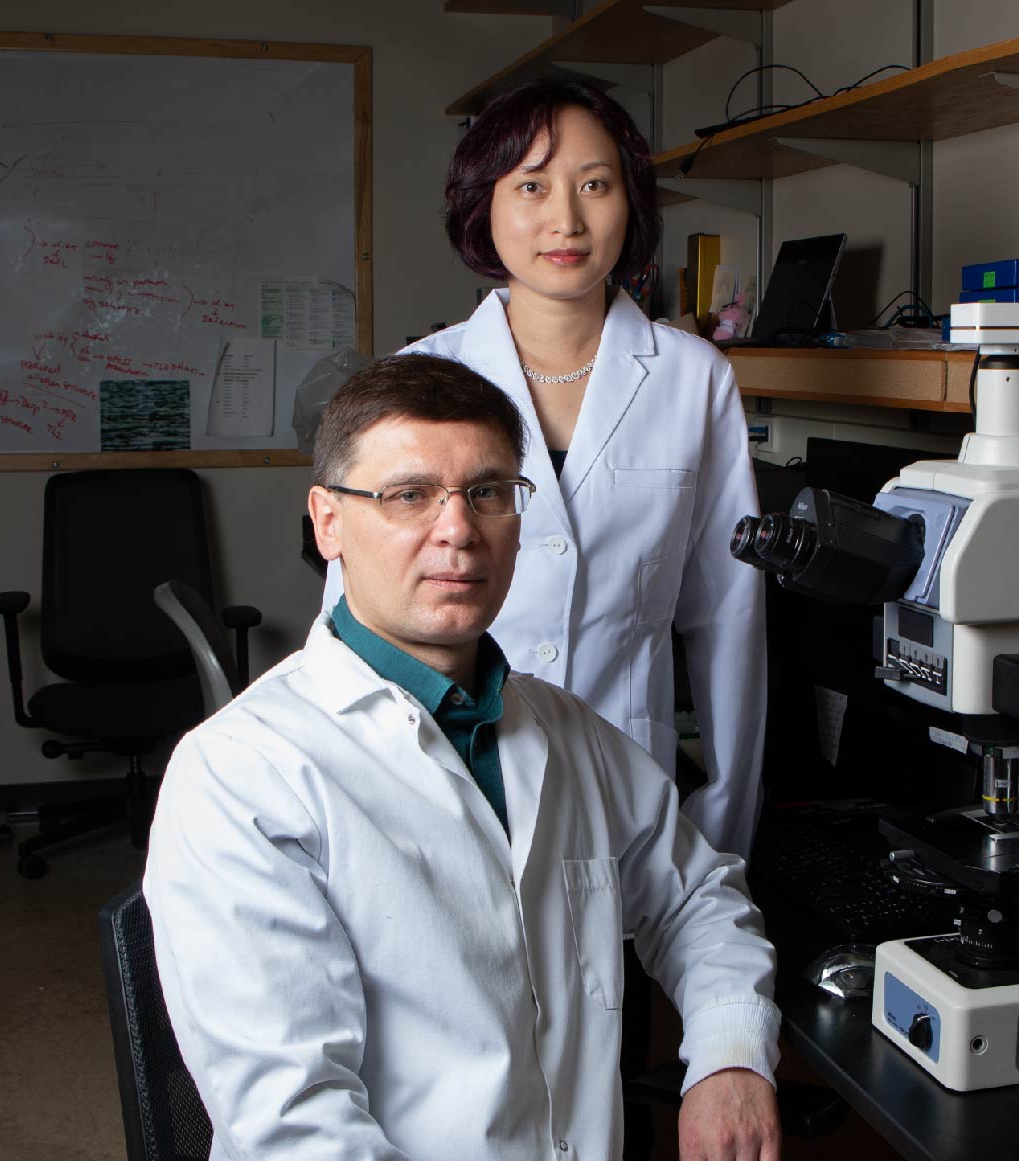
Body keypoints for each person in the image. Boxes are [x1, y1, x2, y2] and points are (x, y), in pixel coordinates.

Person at [149, 354, 784, 1161]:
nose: (459, 532)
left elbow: (696, 897)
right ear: (328, 520)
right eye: (408, 495)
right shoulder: (243, 773)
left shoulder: (566, 734)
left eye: (489, 493)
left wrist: (727, 1055)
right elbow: (298, 1126)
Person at [318, 78, 765, 856]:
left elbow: (728, 617)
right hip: (438, 775)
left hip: (624, 787)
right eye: (531, 185)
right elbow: (351, 619)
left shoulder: (694, 379)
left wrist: (723, 826)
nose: (567, 219)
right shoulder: (420, 375)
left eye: (595, 184)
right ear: (483, 205)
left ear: (632, 203)